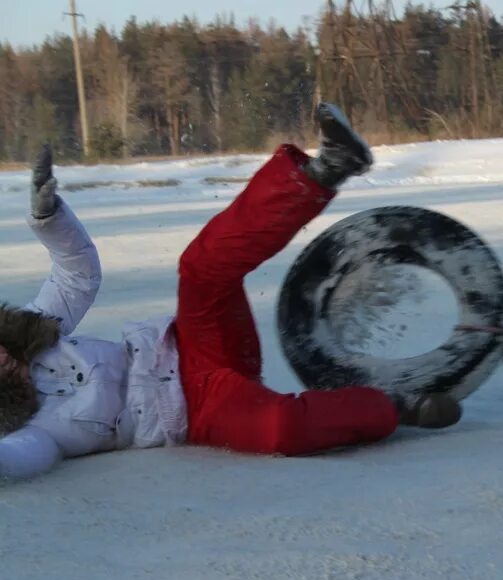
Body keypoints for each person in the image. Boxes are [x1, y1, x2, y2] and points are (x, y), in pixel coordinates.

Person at [0, 104, 461, 480]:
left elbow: (77, 275)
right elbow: (21, 458)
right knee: (280, 429)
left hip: (192, 344)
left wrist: (50, 219)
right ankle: (395, 407)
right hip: (200, 410)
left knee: (200, 268)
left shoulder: (36, 332)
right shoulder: (38, 431)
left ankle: (325, 170)